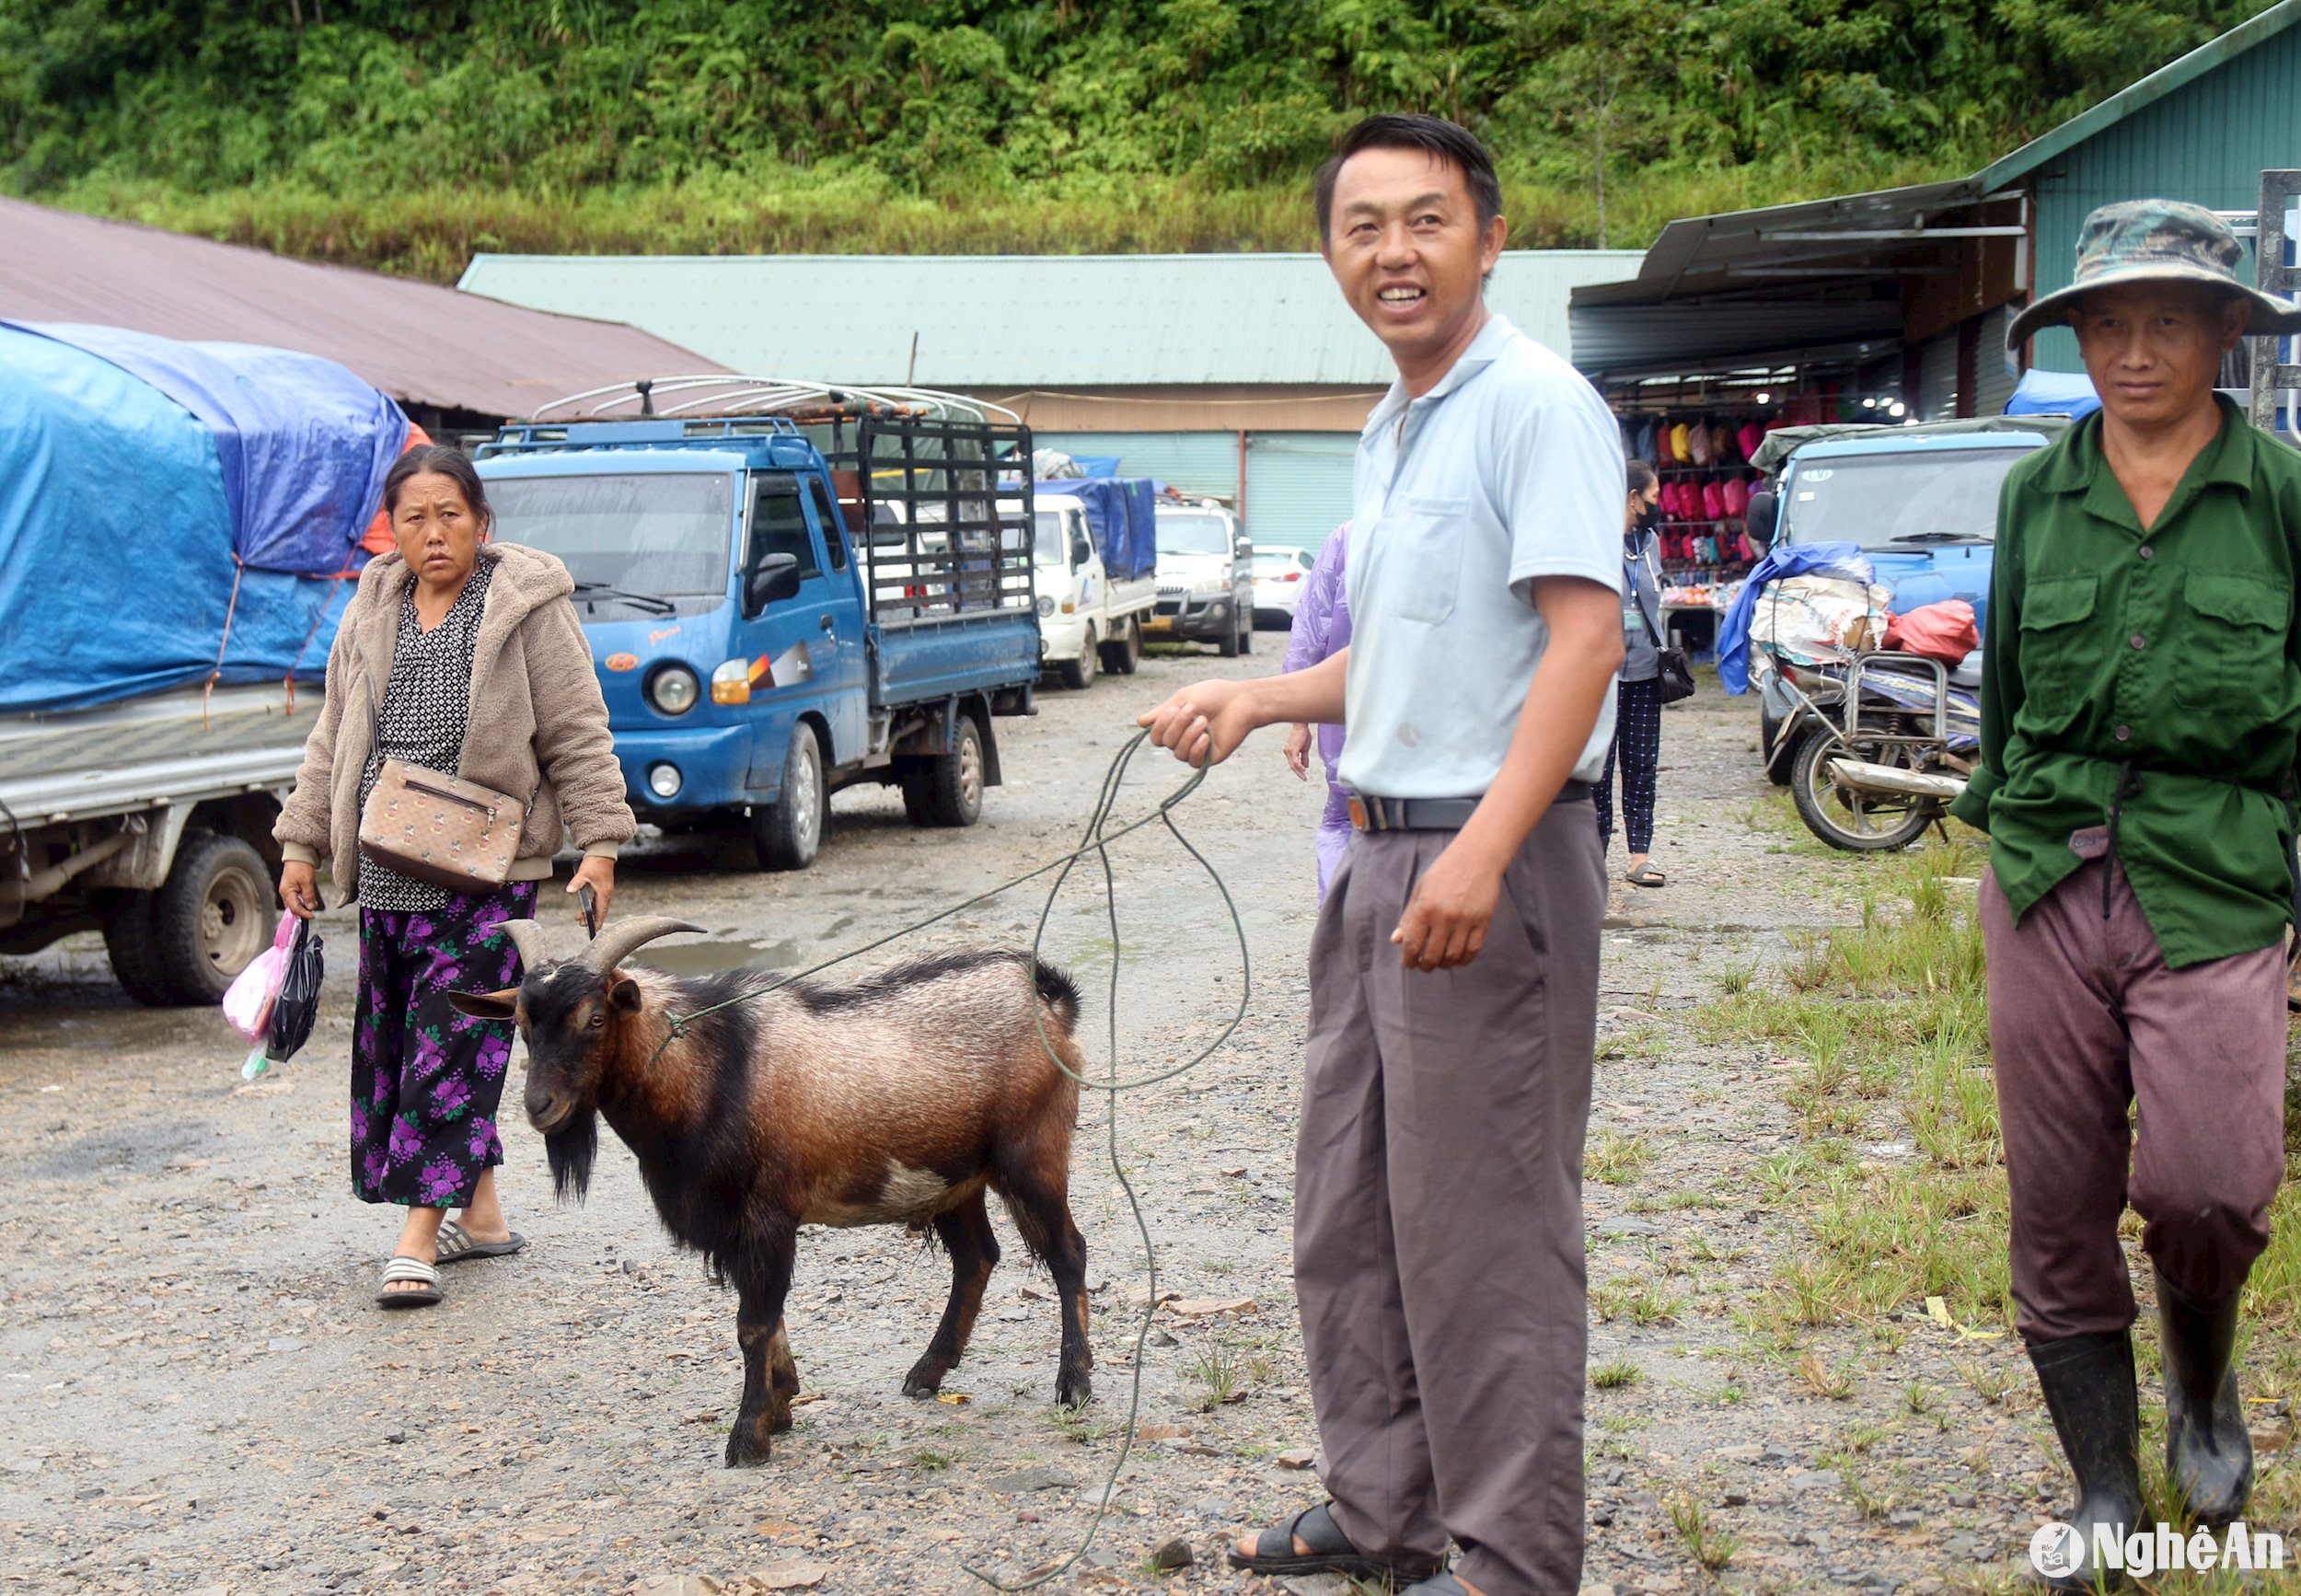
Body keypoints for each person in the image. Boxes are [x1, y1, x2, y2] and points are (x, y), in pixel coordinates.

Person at [1142, 114, 1623, 1596]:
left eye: (1426, 220)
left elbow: (1582, 637)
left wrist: (1482, 851)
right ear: (1332, 253)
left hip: (1492, 862)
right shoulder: (1396, 418)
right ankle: (1388, 1512)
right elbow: (1407, 661)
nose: (1393, 252)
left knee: (1483, 1233)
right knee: (1349, 1205)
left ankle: (1507, 1561)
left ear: (1491, 237)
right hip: (1382, 855)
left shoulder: (1537, 404)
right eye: (1363, 226)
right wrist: (1264, 691)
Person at [1950, 201, 2301, 1587]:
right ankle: (2103, 1485)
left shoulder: (2281, 493)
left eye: (2168, 320)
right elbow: (2012, 696)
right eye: (2108, 322)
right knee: (2058, 1193)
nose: (2135, 349)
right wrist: (2004, 836)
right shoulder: (2038, 495)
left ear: (2226, 332)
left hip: (2217, 871)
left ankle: (2203, 1386)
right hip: (2048, 866)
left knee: (2210, 1183)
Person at [275, 444, 635, 1310]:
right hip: (390, 872)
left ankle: (416, 1239)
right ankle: (482, 1215)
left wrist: (600, 842)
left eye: (449, 514)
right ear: (391, 532)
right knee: (400, 1050)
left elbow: (578, 730)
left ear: (481, 520)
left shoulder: (526, 609)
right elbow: (334, 737)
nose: (432, 533)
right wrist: (300, 842)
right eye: (413, 518)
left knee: (453, 1053)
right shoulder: (371, 608)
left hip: (487, 879)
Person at [1597, 460, 1667, 885]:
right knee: (1598, 772)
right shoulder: (1594, 541)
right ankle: (1593, 861)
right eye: (1654, 497)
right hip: (1599, 676)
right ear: (1632, 498)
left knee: (1641, 765)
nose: (1659, 505)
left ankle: (1639, 856)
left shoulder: (1651, 541)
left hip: (1644, 671)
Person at [1280, 521, 1353, 898]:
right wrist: (1298, 720)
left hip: (1348, 721)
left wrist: (1299, 722)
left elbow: (1309, 633)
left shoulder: (1349, 538)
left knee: (1345, 824)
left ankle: (1344, 937)